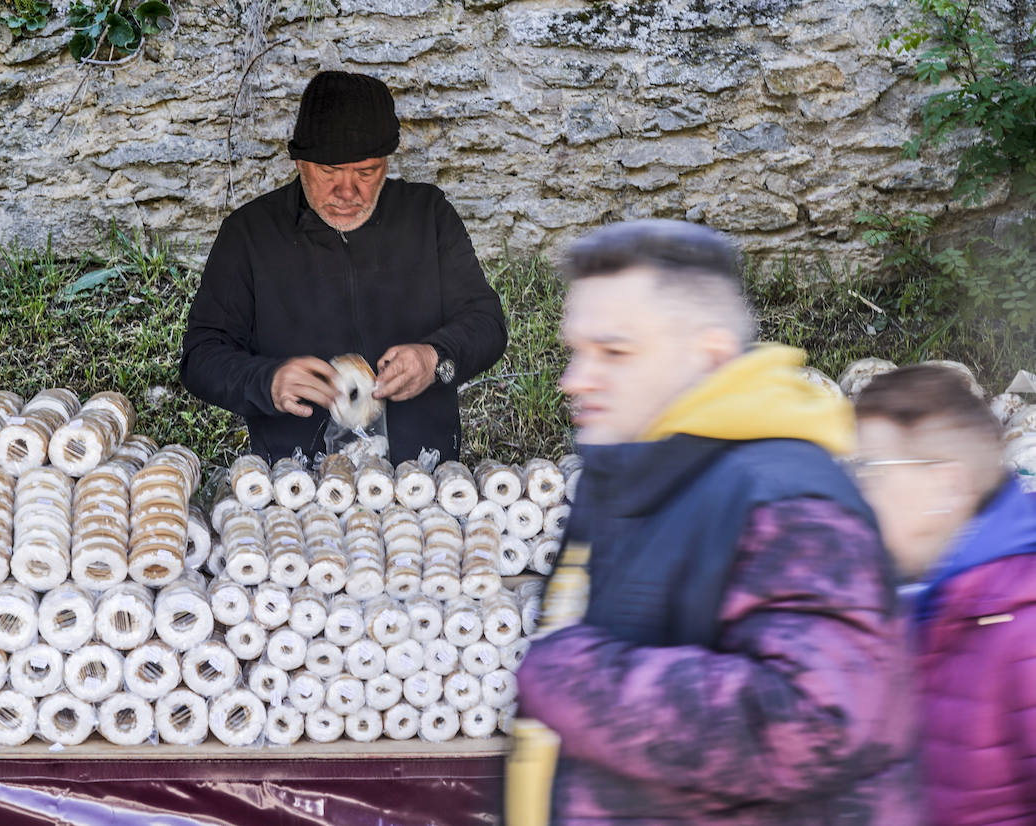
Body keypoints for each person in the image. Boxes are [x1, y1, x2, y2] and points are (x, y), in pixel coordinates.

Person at [510, 219, 917, 825]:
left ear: (710, 353)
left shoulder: (789, 502)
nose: (575, 380)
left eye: (614, 353)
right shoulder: (628, 479)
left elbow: (812, 725)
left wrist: (573, 675)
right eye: (576, 351)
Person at [180, 70, 507, 464]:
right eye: (329, 172)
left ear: (386, 164)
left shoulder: (428, 216)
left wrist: (435, 360)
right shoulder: (250, 235)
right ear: (300, 163)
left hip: (423, 475)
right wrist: (267, 381)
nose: (348, 192)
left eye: (366, 173)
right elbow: (201, 356)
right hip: (296, 479)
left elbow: (487, 323)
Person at [855, 365, 1036, 826]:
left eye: (873, 470)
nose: (860, 492)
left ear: (946, 484)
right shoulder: (908, 604)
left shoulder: (1023, 630)